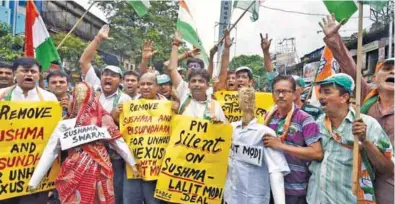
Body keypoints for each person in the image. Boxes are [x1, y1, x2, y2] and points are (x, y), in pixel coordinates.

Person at [320, 14, 394, 204]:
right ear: (375, 77)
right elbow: (348, 66)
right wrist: (333, 40)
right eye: (387, 68)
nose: (393, 72)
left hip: (389, 180)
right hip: (360, 172)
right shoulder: (366, 97)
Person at [28, 82, 138, 204]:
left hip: (100, 167)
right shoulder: (66, 123)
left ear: (91, 97)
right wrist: (35, 180)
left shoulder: (103, 118)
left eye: (84, 95)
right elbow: (51, 151)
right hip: (73, 169)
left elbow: (118, 142)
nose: (81, 98)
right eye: (78, 94)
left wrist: (132, 163)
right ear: (73, 97)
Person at [307, 74, 394, 204]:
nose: (321, 97)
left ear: (344, 97)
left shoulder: (367, 124)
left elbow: (387, 168)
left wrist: (365, 141)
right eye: (320, 92)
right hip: (315, 199)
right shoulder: (317, 123)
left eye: (327, 92)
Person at [79, 24, 132, 204]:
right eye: (106, 74)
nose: (108, 78)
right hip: (88, 151)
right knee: (89, 191)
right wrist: (98, 39)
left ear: (120, 80)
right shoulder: (93, 87)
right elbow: (84, 62)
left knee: (112, 191)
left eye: (113, 75)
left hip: (113, 155)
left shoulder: (126, 99)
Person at [0, 57, 57, 204]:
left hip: (37, 169)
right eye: (24, 71)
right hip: (6, 172)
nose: (29, 75)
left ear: (39, 75)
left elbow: (54, 138)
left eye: (33, 72)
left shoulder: (49, 99)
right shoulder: (2, 96)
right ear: (14, 73)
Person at [224, 87, 289, 204]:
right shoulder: (231, 129)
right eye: (242, 98)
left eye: (249, 99)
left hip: (254, 197)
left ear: (254, 102)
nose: (246, 102)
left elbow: (276, 170)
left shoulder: (264, 133)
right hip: (231, 195)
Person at [263, 75, 322, 204]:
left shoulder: (305, 119)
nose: (280, 95)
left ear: (294, 95)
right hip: (270, 186)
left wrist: (281, 146)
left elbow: (317, 153)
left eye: (285, 91)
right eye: (277, 91)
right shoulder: (268, 116)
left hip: (295, 189)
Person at [168, 31, 227, 123]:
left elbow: (222, 131)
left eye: (201, 81)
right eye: (193, 81)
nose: (197, 84)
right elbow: (172, 69)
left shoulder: (215, 106)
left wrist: (216, 125)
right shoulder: (184, 91)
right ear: (188, 85)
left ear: (208, 85)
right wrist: (175, 44)